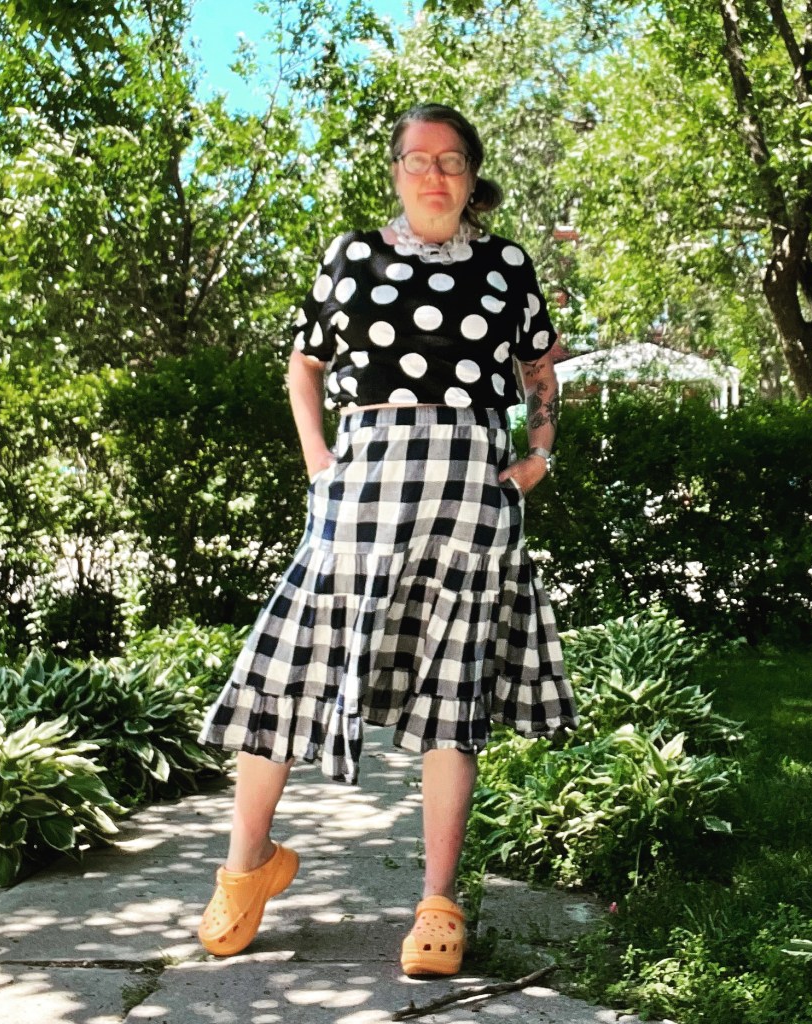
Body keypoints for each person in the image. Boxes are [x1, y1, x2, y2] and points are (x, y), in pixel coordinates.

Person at [196, 102, 578, 977]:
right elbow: (305, 365)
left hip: (470, 494)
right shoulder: (351, 257)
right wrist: (318, 464)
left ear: (473, 175)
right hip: (362, 487)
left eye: (451, 159)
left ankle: (438, 904)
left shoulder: (506, 265)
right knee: (290, 668)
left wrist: (539, 455)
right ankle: (246, 867)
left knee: (453, 693)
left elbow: (539, 367)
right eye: (417, 159)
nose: (433, 174)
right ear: (396, 172)